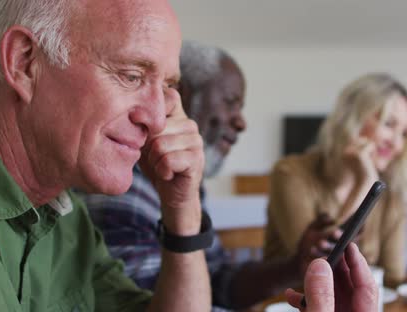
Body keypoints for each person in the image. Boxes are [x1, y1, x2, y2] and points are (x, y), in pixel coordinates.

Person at [0, 0, 377, 311]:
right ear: (24, 62)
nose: (157, 118)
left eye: (167, 87)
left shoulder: (63, 210)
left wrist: (182, 207)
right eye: (131, 75)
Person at [81, 41, 347, 310]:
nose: (241, 122)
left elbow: (218, 279)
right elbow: (162, 304)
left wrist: (295, 266)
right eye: (231, 103)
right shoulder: (126, 186)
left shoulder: (185, 183)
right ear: (178, 96)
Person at [264, 72, 407, 287]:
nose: (397, 143)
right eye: (389, 124)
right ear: (351, 120)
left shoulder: (391, 197)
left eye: (404, 133)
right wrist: (364, 181)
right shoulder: (291, 173)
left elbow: (394, 287)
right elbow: (322, 269)